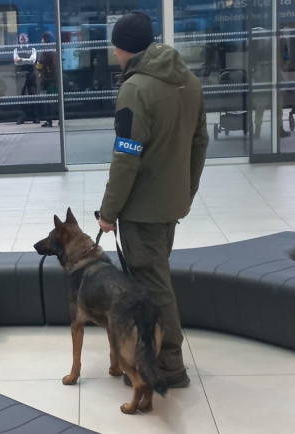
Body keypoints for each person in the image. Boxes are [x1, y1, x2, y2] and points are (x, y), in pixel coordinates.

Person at [97, 11, 208, 389]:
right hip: (170, 205)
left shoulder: (136, 89)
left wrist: (109, 211)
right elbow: (200, 143)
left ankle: (169, 365)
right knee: (156, 277)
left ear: (120, 48)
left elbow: (126, 157)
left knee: (152, 287)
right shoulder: (189, 81)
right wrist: (186, 192)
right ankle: (152, 354)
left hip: (142, 211)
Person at [13, 33, 39, 125]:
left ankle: (35, 117)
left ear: (27, 39)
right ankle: (22, 117)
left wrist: (21, 60)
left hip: (31, 75)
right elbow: (16, 62)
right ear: (19, 40)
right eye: (21, 39)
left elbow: (33, 61)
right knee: (22, 96)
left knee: (33, 95)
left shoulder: (33, 49)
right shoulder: (16, 49)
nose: (23, 41)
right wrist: (25, 60)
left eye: (24, 39)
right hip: (21, 76)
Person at [36, 31, 58, 127]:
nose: (41, 41)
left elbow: (39, 66)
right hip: (56, 79)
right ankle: (61, 119)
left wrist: (38, 67)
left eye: (43, 39)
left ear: (45, 40)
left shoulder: (44, 51)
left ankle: (49, 121)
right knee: (57, 100)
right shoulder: (56, 50)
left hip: (46, 80)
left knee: (48, 102)